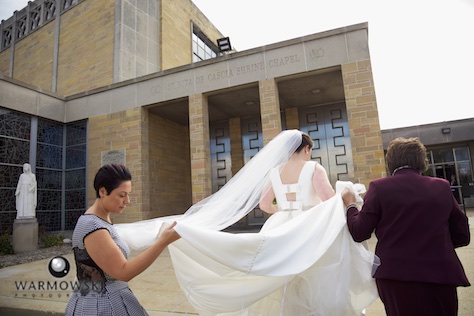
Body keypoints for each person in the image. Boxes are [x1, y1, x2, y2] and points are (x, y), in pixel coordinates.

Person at [117, 130, 379, 315]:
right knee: (317, 276)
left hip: (281, 226)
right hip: (306, 228)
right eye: (310, 150)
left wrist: (283, 209)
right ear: (307, 149)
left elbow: (265, 205)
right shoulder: (314, 169)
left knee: (283, 278)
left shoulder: (275, 172)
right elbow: (327, 199)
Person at [342, 137, 471, 316]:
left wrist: (350, 205)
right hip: (439, 275)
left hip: (395, 277)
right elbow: (462, 235)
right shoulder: (441, 187)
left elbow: (359, 231)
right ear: (421, 160)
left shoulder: (379, 188)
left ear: (391, 162)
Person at [66, 164, 180, 316]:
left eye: (128, 194)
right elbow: (123, 271)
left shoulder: (101, 221)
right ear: (102, 191)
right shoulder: (92, 226)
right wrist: (162, 242)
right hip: (101, 305)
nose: (128, 201)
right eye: (122, 195)